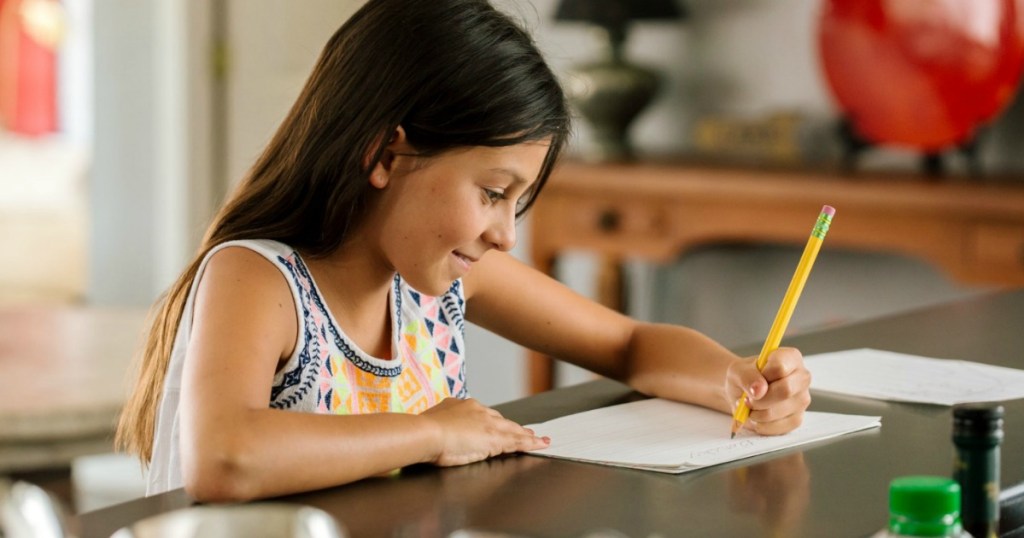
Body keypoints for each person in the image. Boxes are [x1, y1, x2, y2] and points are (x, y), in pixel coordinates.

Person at [115, 0, 812, 503]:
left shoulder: (439, 285)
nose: (507, 234)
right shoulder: (259, 278)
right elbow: (226, 458)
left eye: (519, 201)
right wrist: (427, 434)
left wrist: (734, 379)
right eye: (492, 192)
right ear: (389, 154)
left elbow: (630, 344)